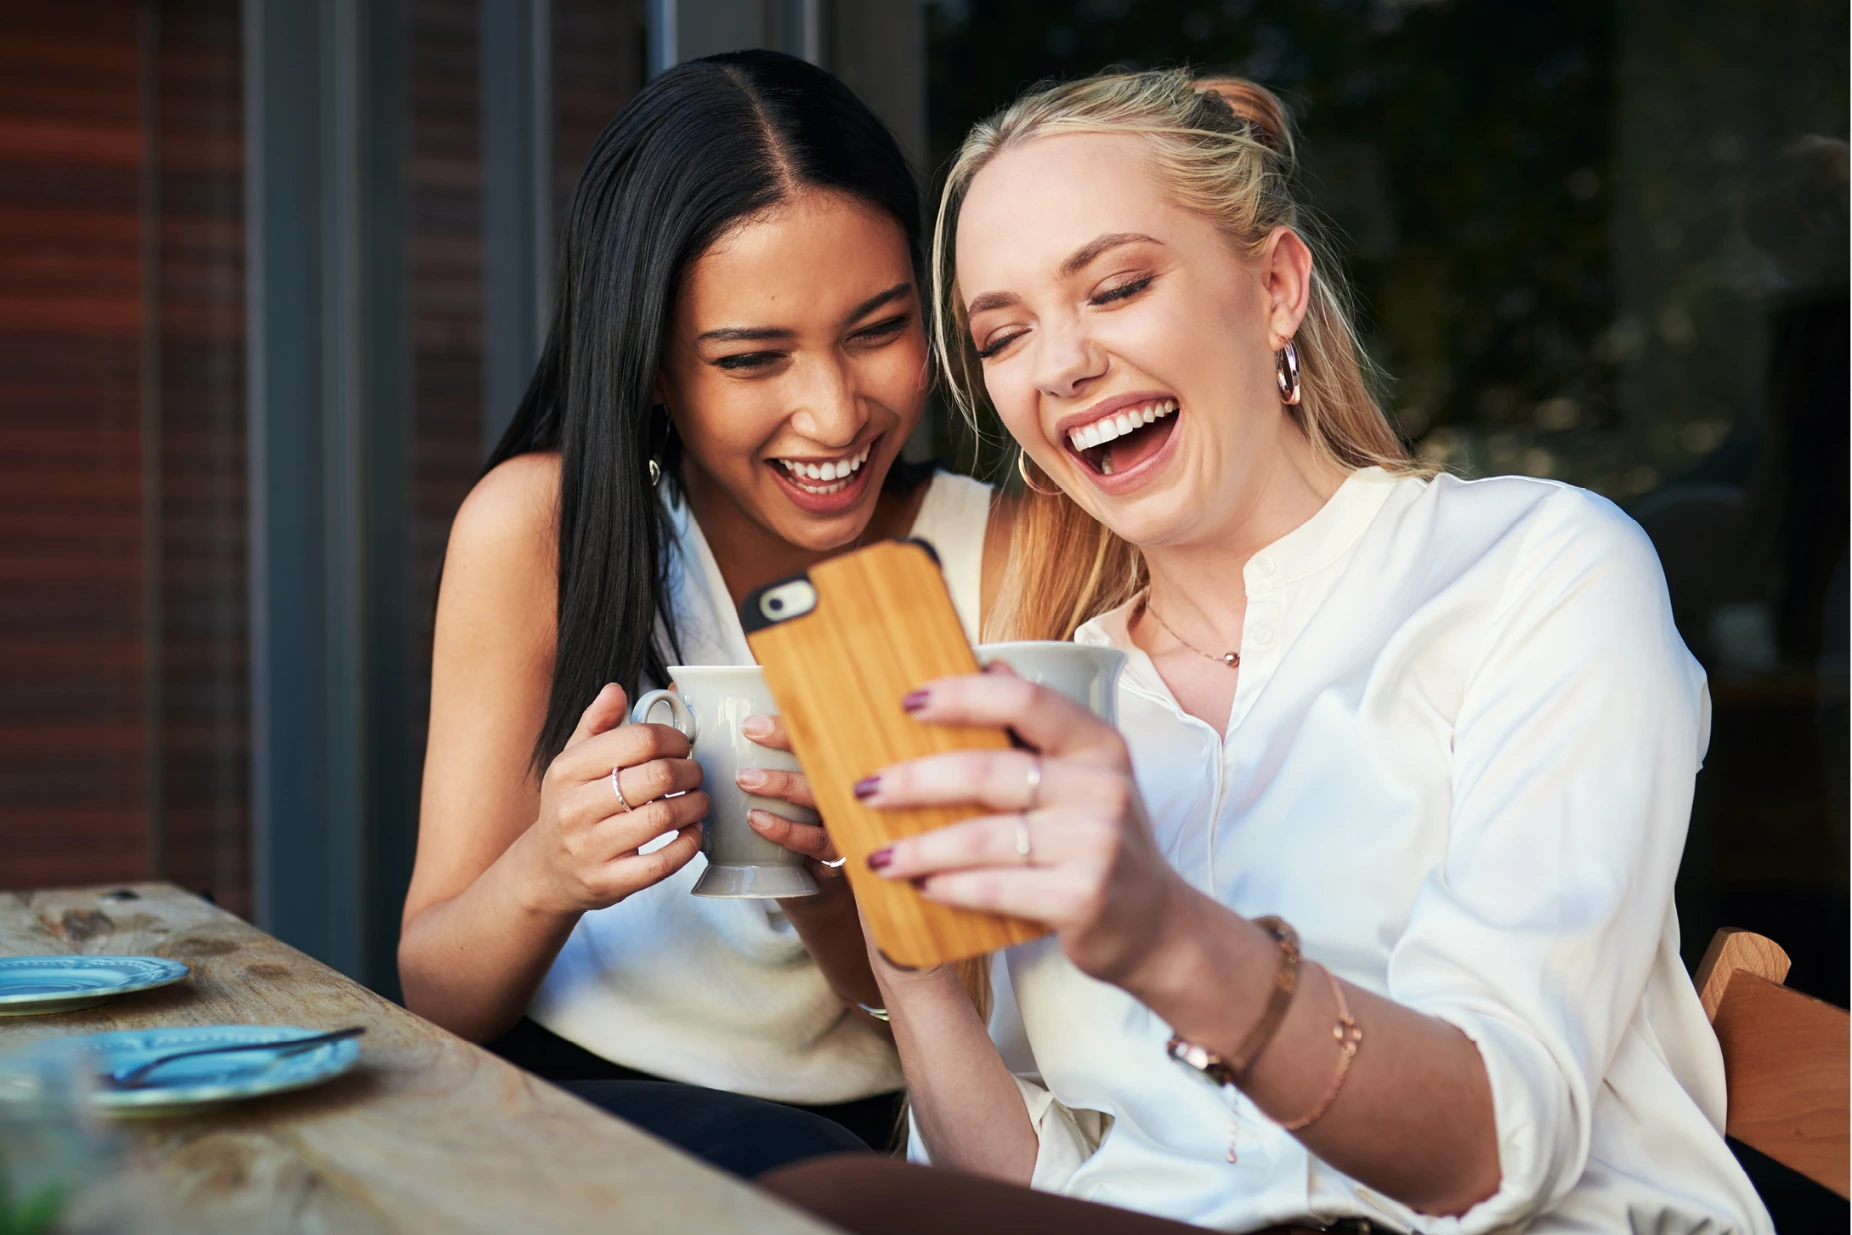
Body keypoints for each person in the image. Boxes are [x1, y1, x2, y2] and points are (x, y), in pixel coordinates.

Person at [760, 71, 1775, 1233]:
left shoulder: (1532, 570)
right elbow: (1038, 1191)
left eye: (1119, 286)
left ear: (1276, 287)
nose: (1061, 366)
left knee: (812, 1197)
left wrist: (1160, 927)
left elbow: (1492, 1148)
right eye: (1003, 335)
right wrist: (907, 946)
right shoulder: (1054, 692)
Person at [398, 50, 1007, 1176]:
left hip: (872, 1137)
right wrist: (551, 867)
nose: (832, 412)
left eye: (876, 329)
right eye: (751, 357)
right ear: (653, 369)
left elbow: (989, 1020)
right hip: (569, 1112)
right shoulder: (544, 526)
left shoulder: (998, 548)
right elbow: (435, 987)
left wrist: (831, 886)